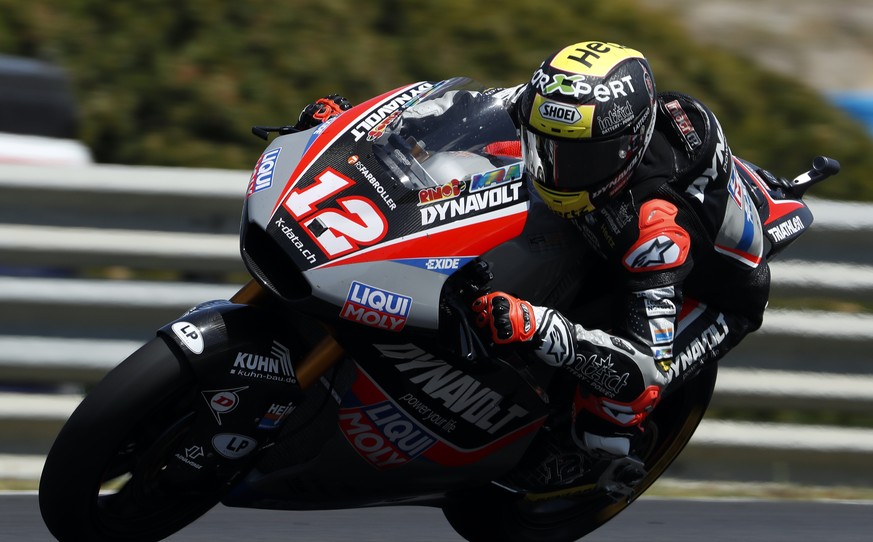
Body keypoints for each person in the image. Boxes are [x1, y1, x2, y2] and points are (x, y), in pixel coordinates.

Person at [295, 41, 771, 498]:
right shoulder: (562, 114)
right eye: (546, 147)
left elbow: (646, 365)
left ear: (627, 147)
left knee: (614, 409)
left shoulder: (657, 229)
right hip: (599, 223)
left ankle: (583, 458)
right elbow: (459, 111)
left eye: (577, 159)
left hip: (712, 292)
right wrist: (354, 128)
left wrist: (540, 327)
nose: (554, 170)